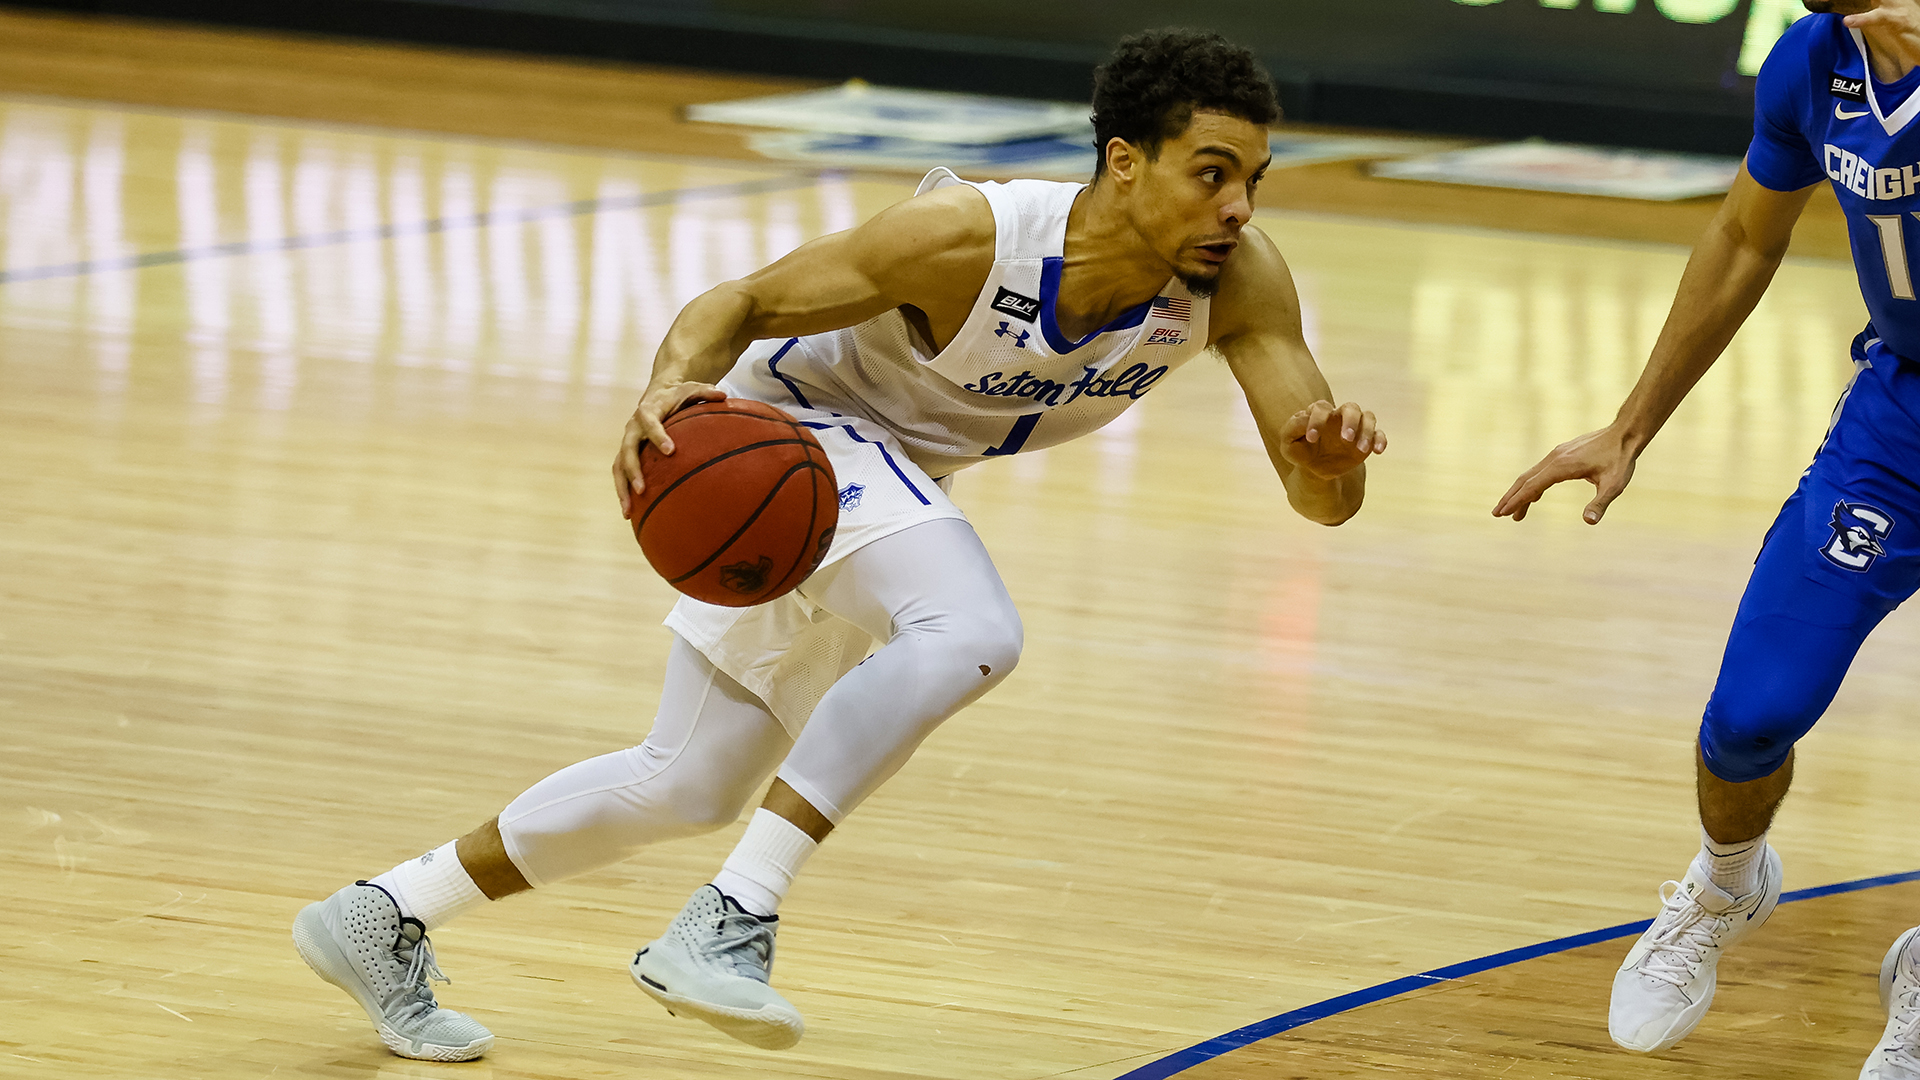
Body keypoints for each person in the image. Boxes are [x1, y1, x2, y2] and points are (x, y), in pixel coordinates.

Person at [292, 28, 1385, 1061]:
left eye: (1257, 178)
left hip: (881, 495)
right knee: (970, 631)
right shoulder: (969, 240)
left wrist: (1331, 463)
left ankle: (383, 914)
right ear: (1124, 162)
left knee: (690, 781)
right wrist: (671, 386)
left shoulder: (1238, 286)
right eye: (1212, 172)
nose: (1239, 207)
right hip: (792, 446)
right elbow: (748, 298)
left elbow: (1320, 503)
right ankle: (730, 917)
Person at [1494, 2, 1920, 1073]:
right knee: (1751, 714)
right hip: (1899, 422)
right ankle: (1729, 883)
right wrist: (1628, 427)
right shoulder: (1811, 64)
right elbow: (1742, 235)